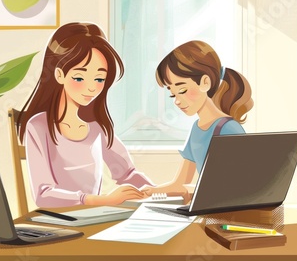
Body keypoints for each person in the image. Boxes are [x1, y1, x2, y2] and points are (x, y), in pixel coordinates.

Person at [18, 22, 154, 208]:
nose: (91, 87)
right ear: (59, 75)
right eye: (79, 78)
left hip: (93, 219)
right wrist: (101, 200)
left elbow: (127, 174)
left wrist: (156, 192)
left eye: (99, 79)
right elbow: (44, 194)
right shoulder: (38, 127)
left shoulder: (97, 126)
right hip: (57, 222)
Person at [142, 40, 253, 196]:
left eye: (182, 90)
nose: (177, 101)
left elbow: (236, 188)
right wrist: (152, 191)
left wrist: (191, 190)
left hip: (226, 214)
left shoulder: (229, 129)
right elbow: (181, 183)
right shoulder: (197, 128)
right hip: (206, 209)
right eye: (173, 94)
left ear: (205, 82)